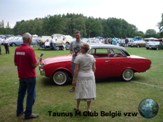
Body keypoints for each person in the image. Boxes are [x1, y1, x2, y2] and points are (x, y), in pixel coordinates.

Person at [14, 32, 41, 120]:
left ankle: (19, 111)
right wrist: (39, 60)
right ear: (29, 39)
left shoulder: (17, 49)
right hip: (30, 76)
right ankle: (28, 114)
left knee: (21, 94)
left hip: (21, 76)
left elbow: (15, 63)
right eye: (31, 38)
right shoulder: (30, 50)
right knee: (31, 95)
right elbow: (34, 65)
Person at [72, 43, 96, 112]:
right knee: (89, 92)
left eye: (81, 48)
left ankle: (77, 108)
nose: (80, 49)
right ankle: (88, 109)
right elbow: (94, 68)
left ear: (83, 49)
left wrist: (74, 79)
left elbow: (76, 69)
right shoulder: (92, 57)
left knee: (79, 91)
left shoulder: (78, 57)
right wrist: (91, 74)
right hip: (90, 76)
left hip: (81, 76)